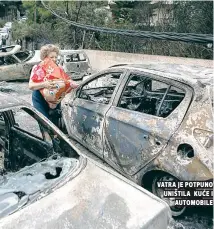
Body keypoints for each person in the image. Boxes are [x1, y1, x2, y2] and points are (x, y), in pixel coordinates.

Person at [29, 44, 78, 126]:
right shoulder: (37, 67)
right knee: (44, 122)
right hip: (39, 98)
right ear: (45, 57)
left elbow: (65, 80)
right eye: (51, 57)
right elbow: (31, 86)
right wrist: (44, 84)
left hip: (55, 98)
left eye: (56, 57)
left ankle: (55, 138)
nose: (54, 59)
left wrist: (71, 83)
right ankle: (47, 138)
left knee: (55, 122)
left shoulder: (59, 68)